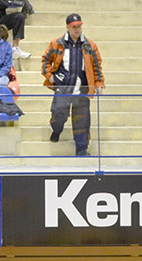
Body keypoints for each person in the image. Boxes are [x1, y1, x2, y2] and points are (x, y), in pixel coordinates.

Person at [41, 13, 104, 157]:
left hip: (82, 88)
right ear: (67, 27)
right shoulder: (56, 43)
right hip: (63, 87)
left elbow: (97, 66)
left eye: (79, 26)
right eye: (74, 27)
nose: (77, 29)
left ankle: (81, 149)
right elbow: (45, 60)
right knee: (58, 115)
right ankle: (56, 130)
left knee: (82, 120)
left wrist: (99, 83)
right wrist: (49, 76)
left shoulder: (90, 45)